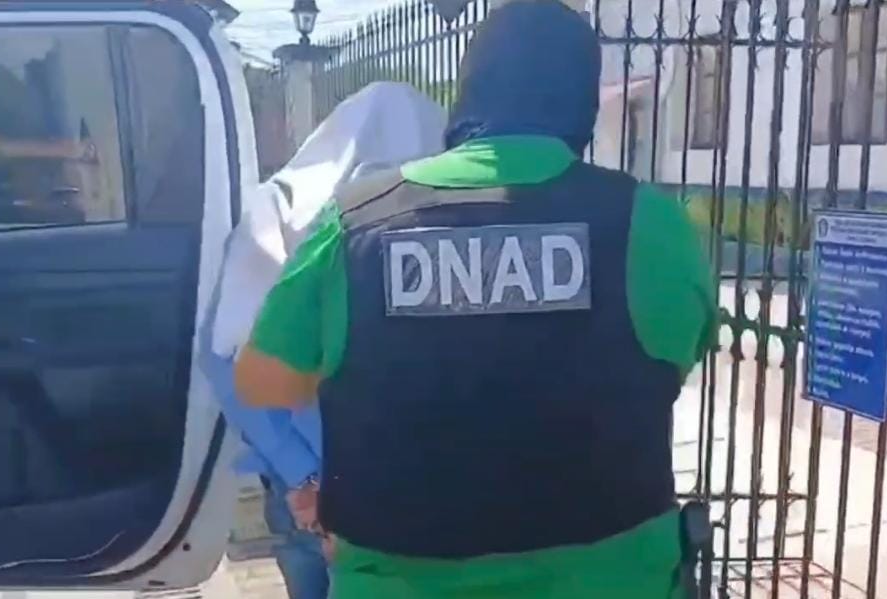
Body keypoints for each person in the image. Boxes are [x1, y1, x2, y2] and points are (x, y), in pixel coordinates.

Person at [234, 1, 719, 597]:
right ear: (583, 104)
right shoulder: (651, 225)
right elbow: (676, 357)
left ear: (470, 91)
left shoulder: (354, 224)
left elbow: (263, 380)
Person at [202, 81, 445, 598]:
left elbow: (224, 355)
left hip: (307, 489)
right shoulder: (445, 223)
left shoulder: (280, 214)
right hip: (398, 488)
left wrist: (304, 477)